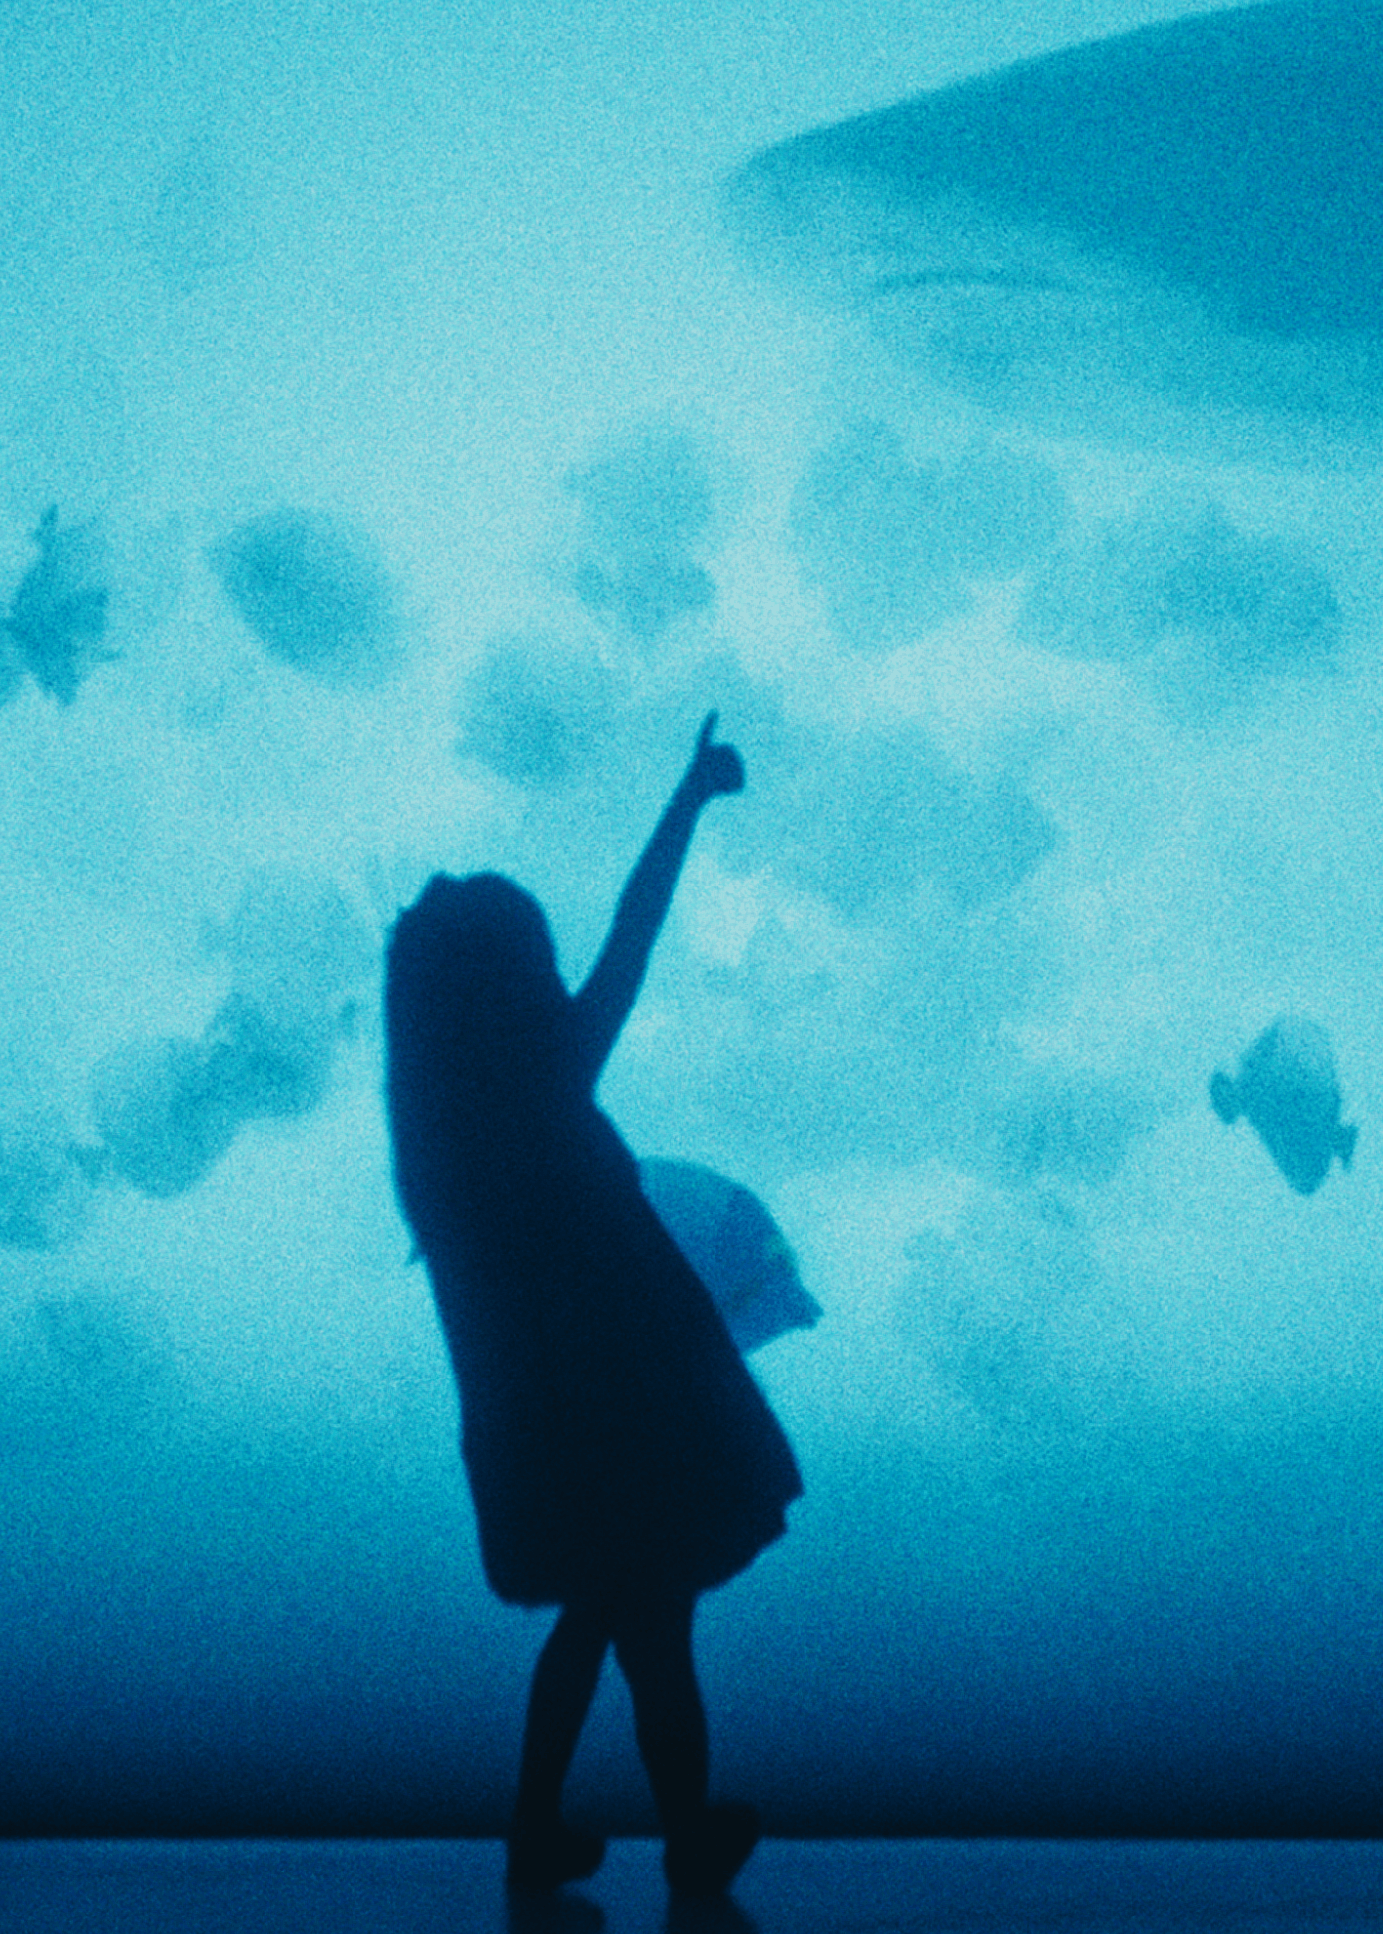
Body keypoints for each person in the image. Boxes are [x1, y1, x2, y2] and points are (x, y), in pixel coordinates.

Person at [385, 715, 800, 1898]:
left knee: (615, 1622)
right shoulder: (545, 1086)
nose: (555, 976)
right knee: (648, 1625)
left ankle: (556, 1831)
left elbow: (622, 940)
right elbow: (636, 934)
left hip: (548, 1427)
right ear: (511, 985)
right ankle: (679, 1837)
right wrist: (688, 798)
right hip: (623, 1417)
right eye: (535, 961)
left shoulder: (443, 1142)